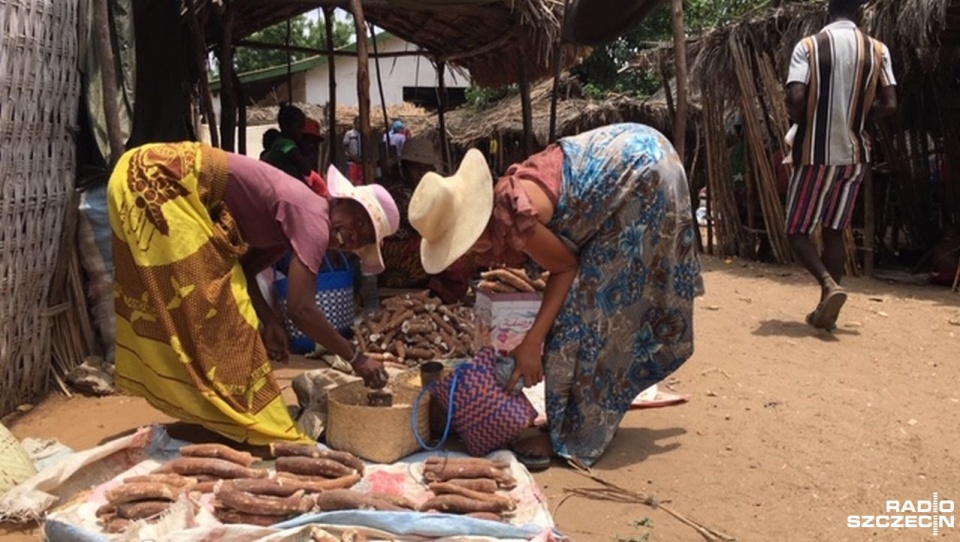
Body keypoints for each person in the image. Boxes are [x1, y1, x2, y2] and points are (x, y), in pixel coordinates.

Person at [408, 123, 704, 468]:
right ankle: (570, 418)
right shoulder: (504, 198)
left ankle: (573, 437)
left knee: (589, 319)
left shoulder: (513, 215)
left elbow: (565, 269)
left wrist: (532, 342)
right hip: (649, 151)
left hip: (642, 178)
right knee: (575, 316)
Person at [107, 141, 399, 445]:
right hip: (159, 179)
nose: (353, 236)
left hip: (144, 171)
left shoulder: (290, 228)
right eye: (359, 222)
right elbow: (301, 308)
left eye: (363, 239)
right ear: (340, 202)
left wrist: (270, 320)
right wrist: (356, 357)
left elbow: (246, 270)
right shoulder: (314, 218)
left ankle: (218, 418)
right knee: (225, 314)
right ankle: (244, 424)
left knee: (213, 312)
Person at [784, 0, 897, 330]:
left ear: (827, 12)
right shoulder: (878, 50)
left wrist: (806, 117)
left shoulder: (808, 47)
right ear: (859, 13)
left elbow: (795, 99)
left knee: (796, 231)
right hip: (854, 155)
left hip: (816, 154)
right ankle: (824, 311)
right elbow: (890, 104)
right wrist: (858, 114)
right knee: (835, 230)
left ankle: (828, 285)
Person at [262, 104, 314, 182]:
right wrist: (311, 153)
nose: (302, 131)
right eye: (299, 127)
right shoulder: (287, 145)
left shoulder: (279, 143)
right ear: (285, 126)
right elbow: (306, 170)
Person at [343, 116, 364, 185]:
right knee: (351, 182)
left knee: (360, 182)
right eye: (358, 123)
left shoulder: (363, 135)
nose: (359, 125)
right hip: (351, 162)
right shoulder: (349, 134)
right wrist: (351, 156)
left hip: (361, 162)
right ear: (354, 124)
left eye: (361, 123)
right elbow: (345, 147)